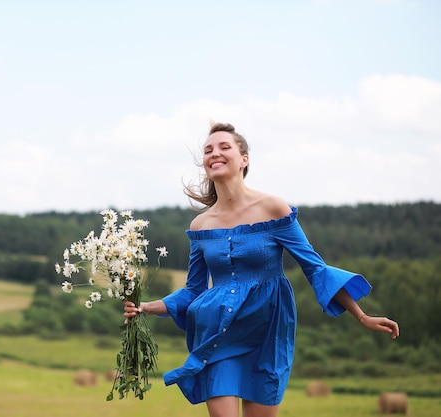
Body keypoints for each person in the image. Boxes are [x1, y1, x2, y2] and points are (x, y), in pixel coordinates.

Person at [123, 122, 400, 417]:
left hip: (267, 333)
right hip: (219, 332)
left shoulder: (273, 208)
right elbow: (194, 289)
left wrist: (361, 315)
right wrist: (147, 307)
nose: (214, 153)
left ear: (244, 159)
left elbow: (315, 269)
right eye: (208, 150)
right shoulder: (200, 225)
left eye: (224, 147)